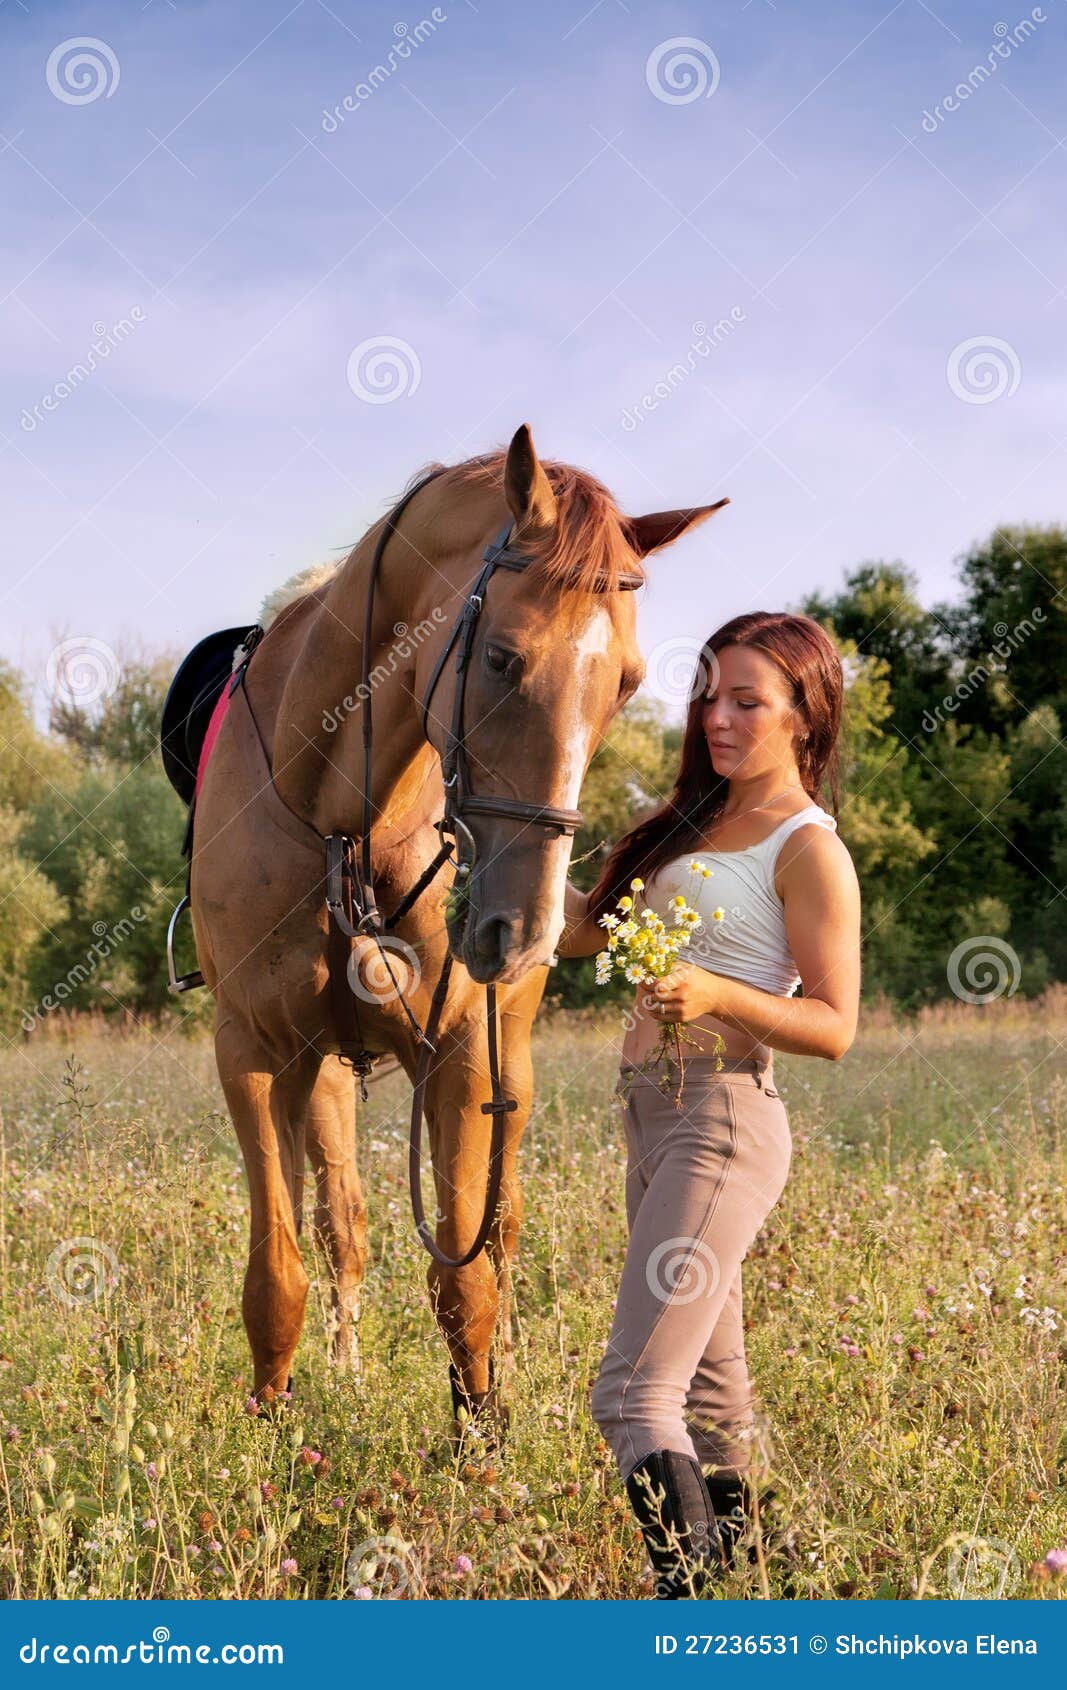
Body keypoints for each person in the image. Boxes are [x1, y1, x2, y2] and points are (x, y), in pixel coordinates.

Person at [557, 611, 861, 1597]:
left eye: (746, 701)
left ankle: (682, 1625)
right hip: (646, 1116)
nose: (716, 717)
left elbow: (833, 1024)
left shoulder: (806, 847)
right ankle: (753, 1601)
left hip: (723, 1120)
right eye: (708, 695)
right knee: (713, 1396)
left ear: (804, 718)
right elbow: (575, 935)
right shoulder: (685, 819)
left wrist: (718, 993)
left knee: (633, 1393)